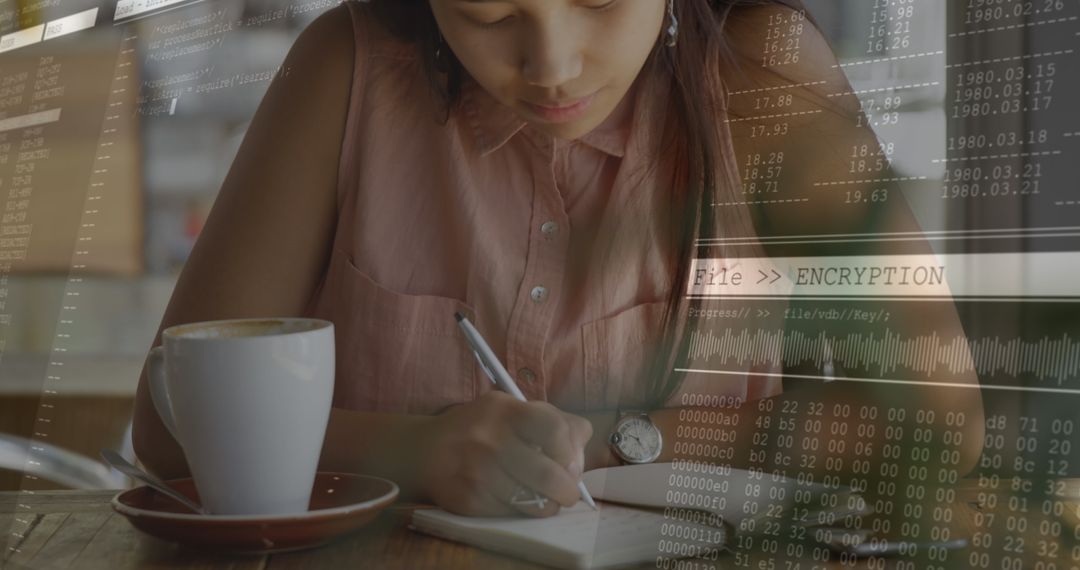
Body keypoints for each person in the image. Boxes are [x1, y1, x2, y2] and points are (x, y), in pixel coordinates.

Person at [133, 0, 984, 518]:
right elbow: (173, 427)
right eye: (489, 16)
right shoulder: (345, 71)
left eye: (601, 0)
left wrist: (620, 441)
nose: (553, 66)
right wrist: (416, 453)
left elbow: (942, 427)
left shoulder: (762, 76)